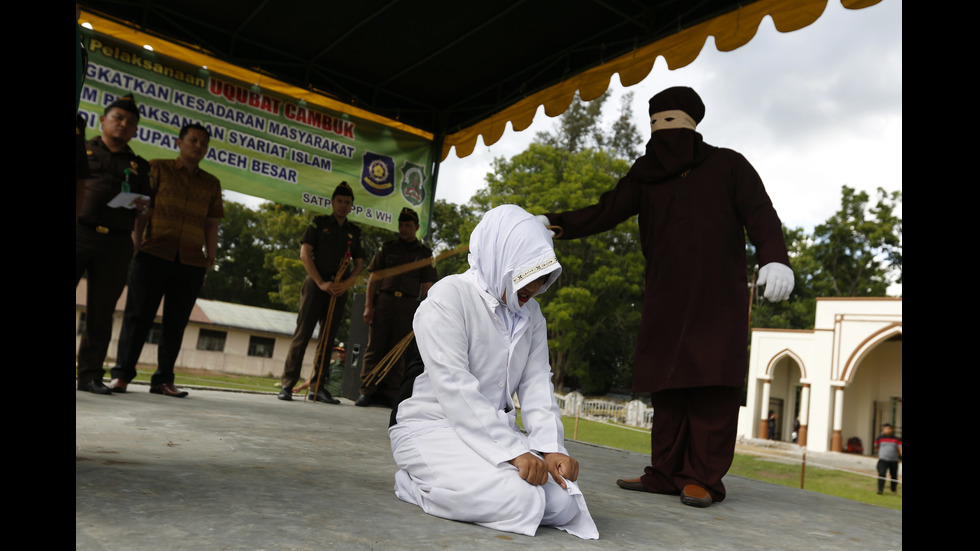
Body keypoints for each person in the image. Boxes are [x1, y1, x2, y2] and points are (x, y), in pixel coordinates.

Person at [542, 86, 794, 508]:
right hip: (665, 296)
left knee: (711, 382)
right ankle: (663, 472)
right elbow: (603, 211)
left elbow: (761, 213)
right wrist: (552, 223)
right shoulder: (645, 175)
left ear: (692, 124)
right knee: (668, 383)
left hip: (718, 298)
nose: (662, 131)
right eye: (655, 123)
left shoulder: (728, 165)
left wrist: (775, 258)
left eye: (671, 122)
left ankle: (702, 478)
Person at [388, 205, 598, 539]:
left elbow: (536, 384)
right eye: (528, 275)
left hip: (494, 432)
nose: (536, 287)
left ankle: (467, 485)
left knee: (564, 505)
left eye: (543, 278)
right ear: (504, 259)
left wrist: (551, 447)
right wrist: (513, 452)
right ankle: (414, 486)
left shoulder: (531, 315)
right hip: (432, 426)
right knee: (522, 498)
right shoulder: (448, 297)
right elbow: (455, 388)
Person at [106, 123, 224, 398]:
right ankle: (122, 376)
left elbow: (211, 223)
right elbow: (143, 209)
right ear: (179, 142)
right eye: (193, 140)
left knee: (176, 322)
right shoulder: (157, 168)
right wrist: (136, 244)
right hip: (152, 253)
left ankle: (163, 380)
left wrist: (210, 259)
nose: (198, 146)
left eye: (203, 143)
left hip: (192, 260)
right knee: (137, 316)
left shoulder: (211, 183)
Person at [76, 93, 152, 394]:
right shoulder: (82, 149)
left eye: (130, 122)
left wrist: (138, 238)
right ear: (102, 120)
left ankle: (90, 375)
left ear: (135, 130)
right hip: (79, 232)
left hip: (117, 242)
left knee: (102, 310)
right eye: (118, 117)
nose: (123, 124)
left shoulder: (139, 165)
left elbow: (146, 206)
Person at [277, 182, 365, 403]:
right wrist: (320, 282)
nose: (343, 206)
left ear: (351, 206)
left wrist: (346, 285)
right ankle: (287, 384)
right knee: (303, 333)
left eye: (347, 203)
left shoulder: (354, 232)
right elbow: (305, 253)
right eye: (339, 201)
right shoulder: (319, 224)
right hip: (316, 285)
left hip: (338, 289)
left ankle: (318, 386)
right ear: (332, 202)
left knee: (327, 339)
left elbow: (359, 263)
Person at [356, 207, 437, 407]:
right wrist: (368, 306)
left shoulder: (424, 254)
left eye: (408, 225)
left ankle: (390, 394)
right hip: (384, 301)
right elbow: (373, 279)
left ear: (416, 227)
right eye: (401, 225)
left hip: (408, 305)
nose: (403, 228)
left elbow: (428, 287)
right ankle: (367, 391)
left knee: (399, 350)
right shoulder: (387, 248)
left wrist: (423, 313)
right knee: (375, 347)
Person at [873, 423, 902, 495]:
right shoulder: (880, 438)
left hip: (894, 460)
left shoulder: (896, 439)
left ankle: (893, 490)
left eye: (889, 428)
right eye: (886, 429)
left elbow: (900, 448)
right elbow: (876, 447)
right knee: (882, 474)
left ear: (891, 430)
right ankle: (880, 490)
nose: (887, 430)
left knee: (894, 475)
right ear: (883, 429)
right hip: (883, 460)